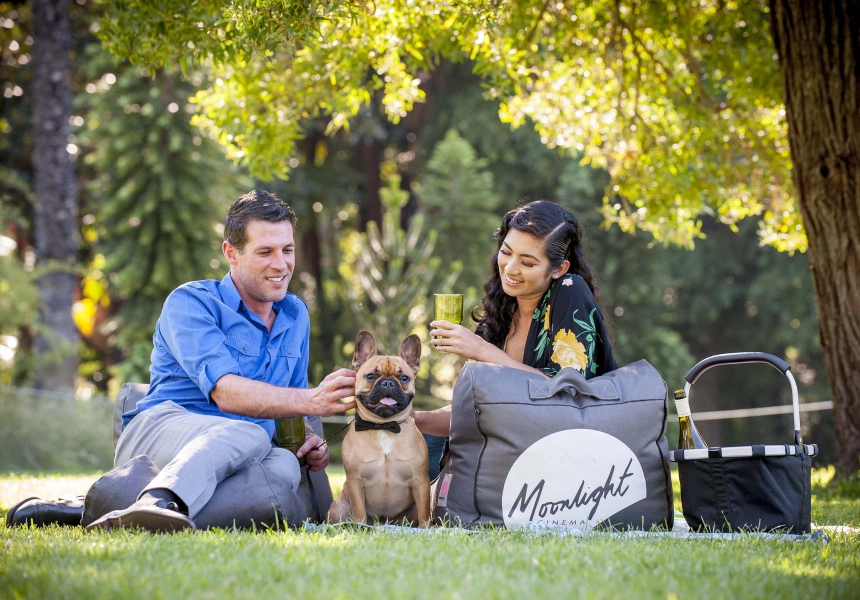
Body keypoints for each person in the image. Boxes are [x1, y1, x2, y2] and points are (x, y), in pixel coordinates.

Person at [82, 190, 357, 531]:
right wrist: (313, 399)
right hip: (160, 430)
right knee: (250, 435)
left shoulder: (295, 313)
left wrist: (305, 441)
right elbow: (225, 394)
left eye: (287, 250)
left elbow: (289, 405)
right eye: (265, 252)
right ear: (231, 253)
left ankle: (125, 512)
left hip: (241, 449)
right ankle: (158, 500)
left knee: (285, 465)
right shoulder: (192, 302)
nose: (281, 264)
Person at [414, 200, 617, 440]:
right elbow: (477, 415)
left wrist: (482, 350)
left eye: (527, 262)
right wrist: (411, 418)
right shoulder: (502, 310)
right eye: (506, 252)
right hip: (507, 457)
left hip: (568, 456)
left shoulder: (570, 291)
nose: (510, 269)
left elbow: (566, 394)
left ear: (558, 269)